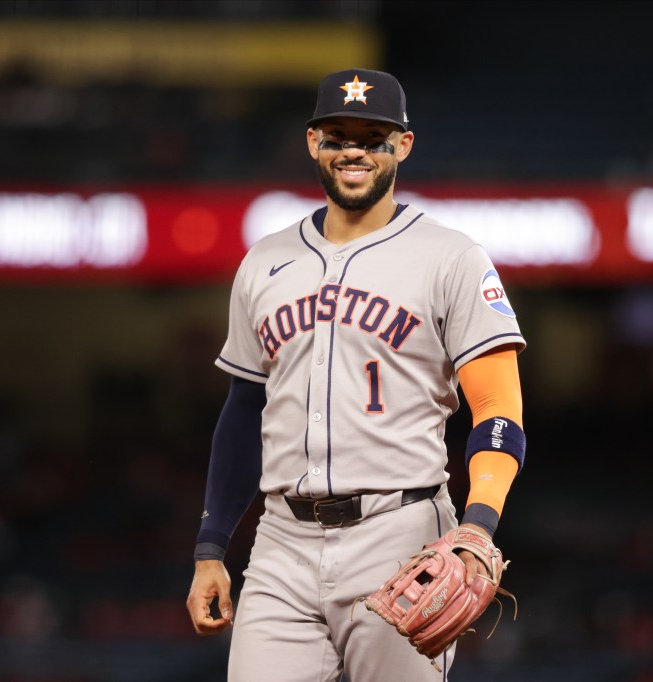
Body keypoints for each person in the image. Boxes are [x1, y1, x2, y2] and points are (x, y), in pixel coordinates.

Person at [186, 68, 527, 681]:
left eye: (373, 138)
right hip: (281, 543)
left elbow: (499, 411)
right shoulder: (263, 262)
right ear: (314, 141)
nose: (355, 152)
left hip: (400, 536)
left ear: (403, 145)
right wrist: (211, 548)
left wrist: (479, 526)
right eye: (340, 135)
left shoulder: (452, 257)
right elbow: (243, 411)